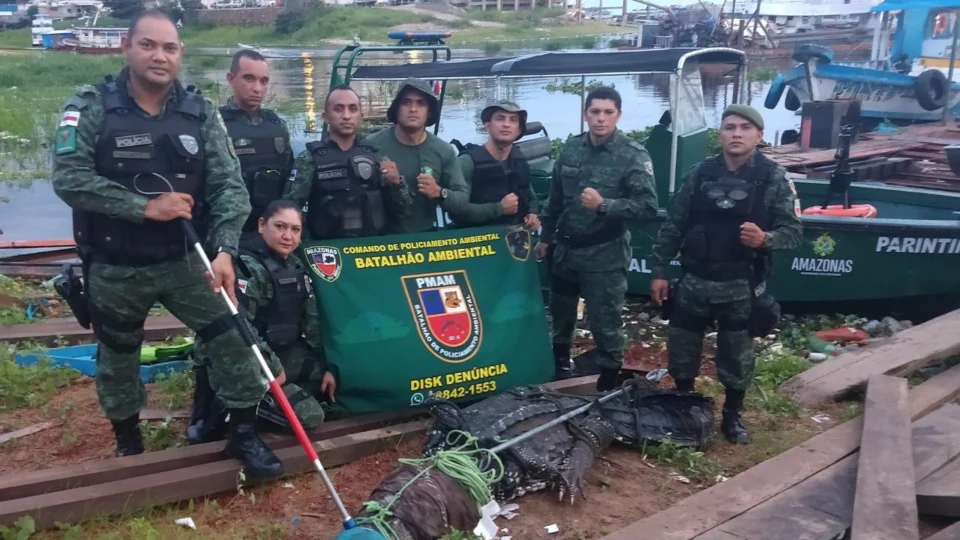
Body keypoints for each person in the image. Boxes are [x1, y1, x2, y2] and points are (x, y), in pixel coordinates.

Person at [50, 10, 282, 479]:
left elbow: (229, 189)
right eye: (148, 45)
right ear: (126, 47)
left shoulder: (200, 113)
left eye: (170, 47)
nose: (160, 56)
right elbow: (68, 178)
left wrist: (224, 251)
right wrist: (142, 206)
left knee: (237, 341)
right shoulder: (90, 106)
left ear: (181, 54)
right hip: (116, 264)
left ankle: (242, 432)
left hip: (187, 260)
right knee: (118, 355)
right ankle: (128, 442)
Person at [649, 104, 803, 444]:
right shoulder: (699, 174)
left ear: (758, 136)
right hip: (694, 281)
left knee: (737, 355)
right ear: (719, 134)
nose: (736, 133)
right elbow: (673, 225)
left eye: (745, 128)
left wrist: (765, 239)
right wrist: (660, 270)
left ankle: (733, 414)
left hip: (740, 285)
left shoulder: (774, 178)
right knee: (683, 350)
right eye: (729, 127)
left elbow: (793, 232)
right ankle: (686, 406)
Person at [533, 87, 659, 392]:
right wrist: (546, 238)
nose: (601, 119)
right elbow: (555, 200)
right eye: (595, 112)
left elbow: (648, 206)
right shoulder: (572, 149)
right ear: (585, 113)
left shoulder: (632, 155)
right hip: (566, 251)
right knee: (561, 313)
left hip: (604, 254)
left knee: (606, 320)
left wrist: (605, 205)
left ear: (619, 114)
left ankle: (608, 380)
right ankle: (561, 365)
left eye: (608, 112)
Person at [187, 200, 338, 441]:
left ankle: (261, 398)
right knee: (311, 416)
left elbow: (311, 322)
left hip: (278, 350)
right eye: (280, 226)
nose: (287, 236)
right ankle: (226, 407)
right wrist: (273, 369)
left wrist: (327, 365)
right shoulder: (245, 267)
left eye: (295, 229)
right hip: (243, 356)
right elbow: (239, 328)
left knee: (334, 379)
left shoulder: (295, 264)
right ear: (261, 225)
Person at [284, 84, 410, 240]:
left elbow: (403, 210)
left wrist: (397, 183)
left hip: (372, 248)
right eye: (338, 109)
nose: (346, 116)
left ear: (361, 116)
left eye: (352, 109)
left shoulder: (376, 156)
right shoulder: (309, 159)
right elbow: (289, 210)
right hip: (327, 251)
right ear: (326, 117)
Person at [364, 78, 470, 233]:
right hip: (380, 239)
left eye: (421, 103)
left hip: (426, 237)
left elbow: (462, 201)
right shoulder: (371, 145)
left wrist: (439, 193)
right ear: (397, 109)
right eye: (406, 102)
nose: (413, 109)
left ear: (429, 112)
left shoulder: (443, 150)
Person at [220, 48, 294, 237]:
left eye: (264, 81)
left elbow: (289, 181)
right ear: (231, 78)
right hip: (228, 232)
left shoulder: (277, 126)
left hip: (270, 233)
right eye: (249, 78)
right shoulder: (215, 124)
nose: (257, 88)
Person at [448, 101, 541, 229]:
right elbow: (456, 211)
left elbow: (530, 196)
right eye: (500, 119)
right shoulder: (467, 162)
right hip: (476, 241)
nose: (506, 125)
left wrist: (532, 213)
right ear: (487, 125)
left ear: (519, 129)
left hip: (514, 238)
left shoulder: (519, 160)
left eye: (513, 120)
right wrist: (499, 208)